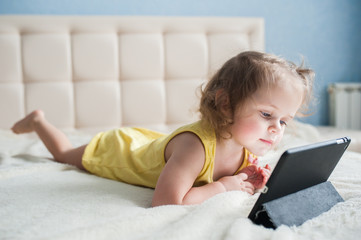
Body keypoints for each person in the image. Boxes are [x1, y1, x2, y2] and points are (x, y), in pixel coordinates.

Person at [11, 51, 314, 207]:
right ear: (225, 105)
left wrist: (247, 178)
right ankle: (38, 121)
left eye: (283, 121)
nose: (275, 129)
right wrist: (223, 187)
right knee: (64, 154)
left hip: (156, 145)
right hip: (121, 151)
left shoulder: (244, 143)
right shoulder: (194, 146)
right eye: (266, 114)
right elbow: (167, 202)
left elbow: (229, 175)